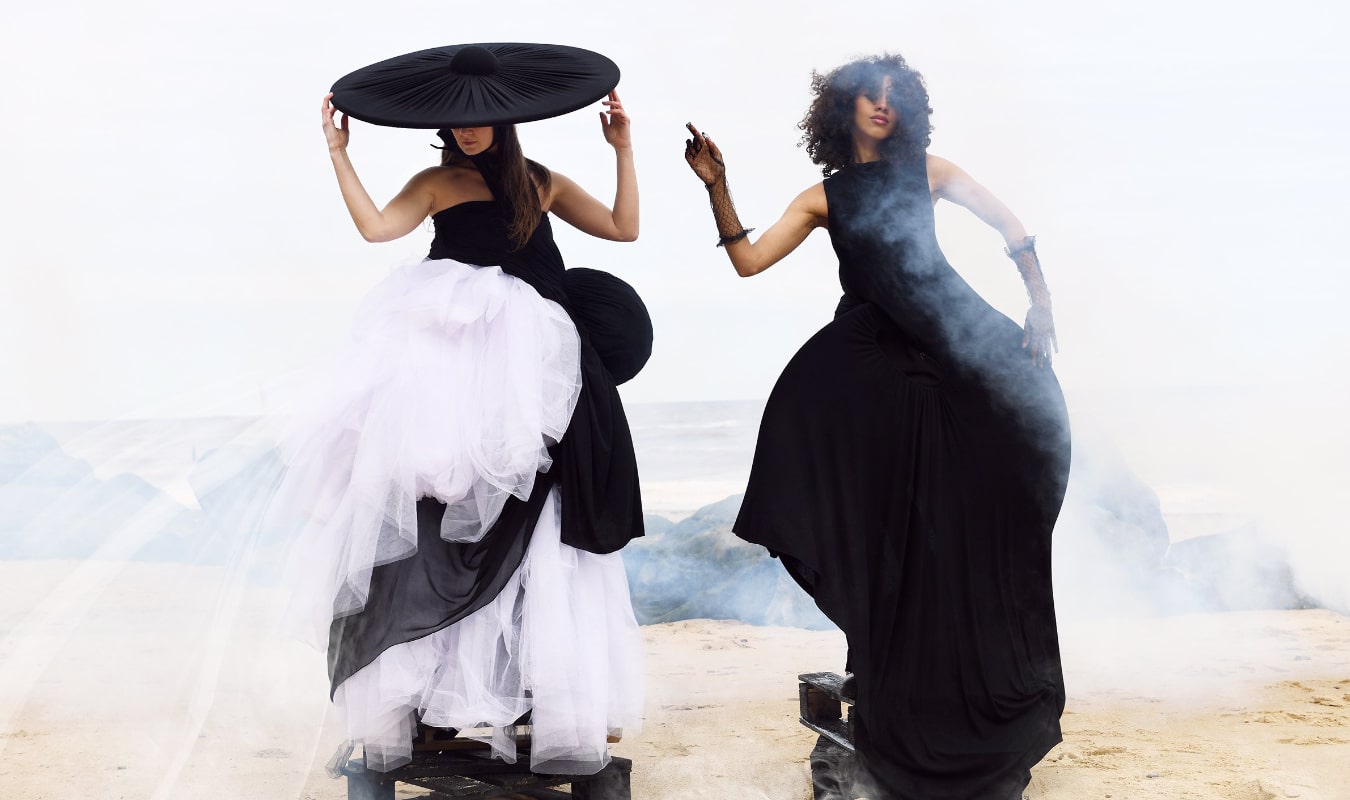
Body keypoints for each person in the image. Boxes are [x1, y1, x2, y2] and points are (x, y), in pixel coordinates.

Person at [684, 54, 1071, 800]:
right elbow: (749, 263)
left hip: (958, 349)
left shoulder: (930, 172)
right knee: (893, 533)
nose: (883, 106)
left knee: (989, 498)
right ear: (843, 109)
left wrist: (1041, 301)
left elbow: (1012, 228)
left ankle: (981, 687)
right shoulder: (822, 197)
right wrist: (717, 187)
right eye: (869, 95)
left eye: (895, 97)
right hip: (877, 374)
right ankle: (892, 681)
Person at [270, 87, 647, 777]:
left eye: (479, 116)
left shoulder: (542, 182)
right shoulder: (436, 182)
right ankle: (423, 692)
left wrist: (622, 148)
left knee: (544, 516)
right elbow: (378, 229)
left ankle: (528, 687)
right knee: (437, 498)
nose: (466, 129)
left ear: (505, 119)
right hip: (457, 354)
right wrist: (337, 153)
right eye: (455, 119)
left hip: (539, 360)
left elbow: (623, 228)